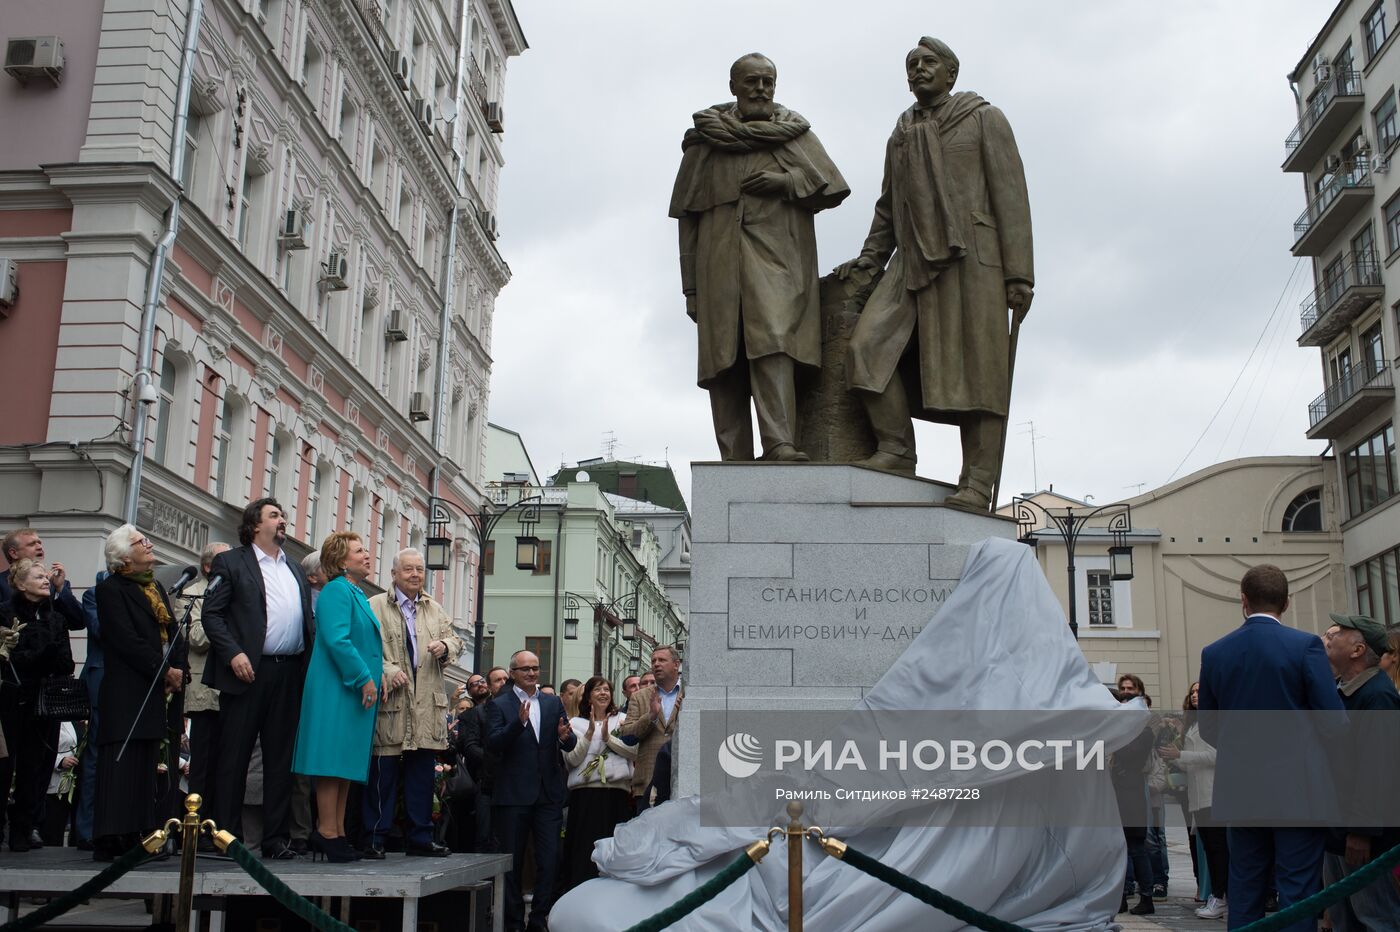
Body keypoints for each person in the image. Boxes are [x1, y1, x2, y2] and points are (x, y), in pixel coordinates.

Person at [836, 37, 1034, 510]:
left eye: (929, 62)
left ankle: (977, 482)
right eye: (912, 64)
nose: (919, 69)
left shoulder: (984, 118)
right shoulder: (902, 131)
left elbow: (1011, 197)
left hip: (973, 261)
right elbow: (889, 206)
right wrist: (869, 259)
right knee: (867, 348)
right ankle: (897, 449)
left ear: (951, 73)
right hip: (910, 261)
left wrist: (1019, 275)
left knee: (979, 373)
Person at [671, 52, 850, 462]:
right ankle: (733, 455)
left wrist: (785, 182)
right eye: (752, 81)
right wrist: (691, 288)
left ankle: (779, 443)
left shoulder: (793, 134)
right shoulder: (705, 144)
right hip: (718, 269)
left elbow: (833, 187)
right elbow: (687, 219)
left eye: (768, 81)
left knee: (773, 346)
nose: (761, 89)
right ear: (733, 86)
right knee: (723, 363)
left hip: (777, 264)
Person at [1198, 564, 1345, 932]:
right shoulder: (1305, 646)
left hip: (1240, 789)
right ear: (1287, 602)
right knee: (1298, 890)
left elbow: (1209, 727)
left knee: (1245, 887)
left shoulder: (1215, 653)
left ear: (1243, 600)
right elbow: (1333, 722)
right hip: (1298, 789)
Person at [200, 498, 315, 859]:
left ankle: (275, 838)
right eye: (274, 515)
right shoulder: (232, 562)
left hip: (288, 671)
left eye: (283, 515)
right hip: (248, 671)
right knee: (235, 755)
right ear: (254, 525)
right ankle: (227, 836)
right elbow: (212, 615)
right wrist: (233, 653)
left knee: (280, 759)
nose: (283, 520)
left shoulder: (293, 568)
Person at [91, 526, 187, 861]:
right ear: (124, 557)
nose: (148, 544)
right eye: (140, 542)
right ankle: (113, 836)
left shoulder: (154, 586)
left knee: (147, 763)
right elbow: (125, 639)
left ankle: (142, 833)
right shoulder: (110, 590)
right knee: (122, 764)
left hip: (157, 690)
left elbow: (172, 631)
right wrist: (164, 670)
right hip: (127, 690)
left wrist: (178, 669)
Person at [363, 547, 461, 858]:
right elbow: (364, 650)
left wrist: (445, 646)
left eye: (419, 569)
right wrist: (387, 670)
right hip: (392, 703)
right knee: (383, 775)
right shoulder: (375, 606)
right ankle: (375, 837)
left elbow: (456, 641)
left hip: (427, 704)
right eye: (408, 569)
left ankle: (421, 838)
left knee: (422, 777)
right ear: (394, 574)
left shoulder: (435, 608)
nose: (416, 574)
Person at [291, 532, 381, 863]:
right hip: (337, 687)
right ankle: (327, 830)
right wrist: (363, 678)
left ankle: (338, 830)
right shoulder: (336, 591)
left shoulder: (354, 592)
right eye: (359, 551)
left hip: (350, 688)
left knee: (344, 761)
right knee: (331, 760)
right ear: (342, 561)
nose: (367, 555)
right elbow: (337, 640)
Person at [1319, 614, 1400, 932]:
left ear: (1357, 649)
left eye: (1339, 632)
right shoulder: (1343, 691)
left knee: (1376, 918)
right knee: (1344, 919)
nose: (1330, 636)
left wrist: (1362, 831)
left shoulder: (1378, 697)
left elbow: (1377, 770)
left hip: (1364, 838)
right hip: (1339, 828)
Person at [486, 650, 577, 931]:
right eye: (525, 669)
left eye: (535, 668)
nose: (532, 673)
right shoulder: (499, 704)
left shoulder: (552, 702)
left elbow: (569, 741)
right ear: (513, 673)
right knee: (512, 863)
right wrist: (519, 723)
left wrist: (565, 738)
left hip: (548, 794)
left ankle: (539, 919)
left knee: (550, 860)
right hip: (514, 794)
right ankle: (514, 922)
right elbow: (494, 743)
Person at [1, 558, 77, 851]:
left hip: (44, 702)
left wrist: (47, 655)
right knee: (4, 765)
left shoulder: (55, 618)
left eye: (46, 576)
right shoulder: (5, 613)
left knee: (34, 767)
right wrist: (40, 654)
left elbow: (66, 663)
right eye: (38, 577)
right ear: (21, 584)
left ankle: (24, 829)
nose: (46, 580)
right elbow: (11, 658)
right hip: (10, 698)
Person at [1159, 681, 1229, 919]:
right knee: (1209, 848)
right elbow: (1192, 763)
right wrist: (1174, 758)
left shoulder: (1213, 722)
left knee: (1218, 849)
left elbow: (1215, 756)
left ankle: (1221, 897)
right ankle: (1217, 895)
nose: (1195, 695)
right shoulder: (1193, 724)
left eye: (1200, 691)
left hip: (1212, 793)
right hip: (1196, 795)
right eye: (1192, 692)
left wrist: (1181, 754)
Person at [561, 676, 637, 892]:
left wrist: (607, 738)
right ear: (588, 696)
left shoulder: (622, 720)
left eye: (606, 689)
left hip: (616, 794)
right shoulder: (574, 723)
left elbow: (634, 752)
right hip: (586, 795)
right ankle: (581, 891)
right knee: (584, 848)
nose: (603, 693)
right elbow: (572, 760)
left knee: (614, 847)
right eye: (597, 690)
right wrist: (589, 734)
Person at [184, 541, 228, 828]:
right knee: (202, 765)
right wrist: (225, 622)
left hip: (231, 691)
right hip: (204, 692)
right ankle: (195, 827)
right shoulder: (192, 594)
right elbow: (196, 637)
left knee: (225, 766)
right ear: (209, 566)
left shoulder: (235, 596)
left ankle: (218, 827)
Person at [618, 646, 683, 812]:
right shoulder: (639, 697)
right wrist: (651, 716)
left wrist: (685, 715)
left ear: (676, 664)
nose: (656, 664)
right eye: (654, 661)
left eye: (662, 660)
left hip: (684, 777)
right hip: (648, 782)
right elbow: (627, 736)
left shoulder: (690, 694)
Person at [1110, 687, 1155, 916]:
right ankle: (1122, 897)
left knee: (1137, 848)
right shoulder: (1126, 731)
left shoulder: (1144, 733)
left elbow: (1130, 754)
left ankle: (1147, 896)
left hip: (1132, 796)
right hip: (1120, 793)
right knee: (1121, 849)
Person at [74, 570, 109, 849]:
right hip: (102, 678)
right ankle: (86, 829)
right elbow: (100, 630)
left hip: (131, 682)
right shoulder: (95, 594)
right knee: (95, 757)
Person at [460, 665, 508, 852]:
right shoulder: (477, 713)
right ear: (490, 686)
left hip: (514, 783)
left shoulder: (521, 708)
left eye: (506, 679)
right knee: (486, 836)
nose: (503, 683)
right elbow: (470, 747)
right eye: (498, 680)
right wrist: (495, 760)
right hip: (487, 782)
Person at [0, 528, 85, 630]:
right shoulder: (1, 583)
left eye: (39, 543)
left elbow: (78, 623)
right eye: (32, 544)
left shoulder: (55, 583)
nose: (39, 547)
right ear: (14, 553)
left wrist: (60, 588)